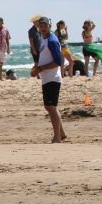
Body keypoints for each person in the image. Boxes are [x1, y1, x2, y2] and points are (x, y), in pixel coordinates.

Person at [29, 16, 67, 144]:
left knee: (51, 107)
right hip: (47, 78)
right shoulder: (44, 40)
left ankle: (57, 137)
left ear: (49, 26)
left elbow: (58, 61)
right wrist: (37, 67)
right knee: (50, 107)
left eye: (45, 25)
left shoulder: (52, 40)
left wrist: (40, 68)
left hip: (53, 78)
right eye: (41, 26)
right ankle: (61, 134)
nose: (43, 28)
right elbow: (45, 57)